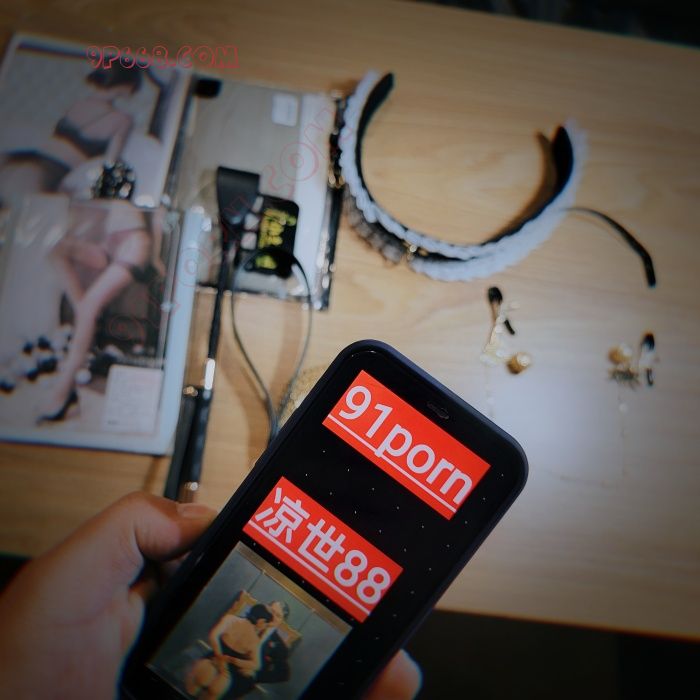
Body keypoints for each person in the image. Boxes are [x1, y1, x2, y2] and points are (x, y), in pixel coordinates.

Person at [0, 492, 422, 699]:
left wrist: (248, 654)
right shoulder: (242, 619)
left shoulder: (275, 645)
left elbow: (264, 670)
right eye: (273, 609)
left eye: (277, 612)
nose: (274, 612)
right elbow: (225, 637)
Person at [37, 200, 157, 422]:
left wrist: (156, 257)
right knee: (56, 249)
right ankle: (82, 310)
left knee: (88, 308)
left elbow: (155, 213)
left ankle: (62, 390)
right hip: (108, 245)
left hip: (133, 244)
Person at [0, 62, 140, 210]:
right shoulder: (123, 120)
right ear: (127, 84)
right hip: (55, 171)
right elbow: (110, 164)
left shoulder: (76, 104)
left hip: (27, 157)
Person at [184, 603, 273, 699]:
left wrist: (219, 656)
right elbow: (256, 665)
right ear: (261, 621)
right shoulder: (255, 641)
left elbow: (213, 636)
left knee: (186, 692)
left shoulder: (230, 619)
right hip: (225, 675)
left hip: (211, 662)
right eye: (266, 624)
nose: (265, 627)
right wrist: (232, 660)